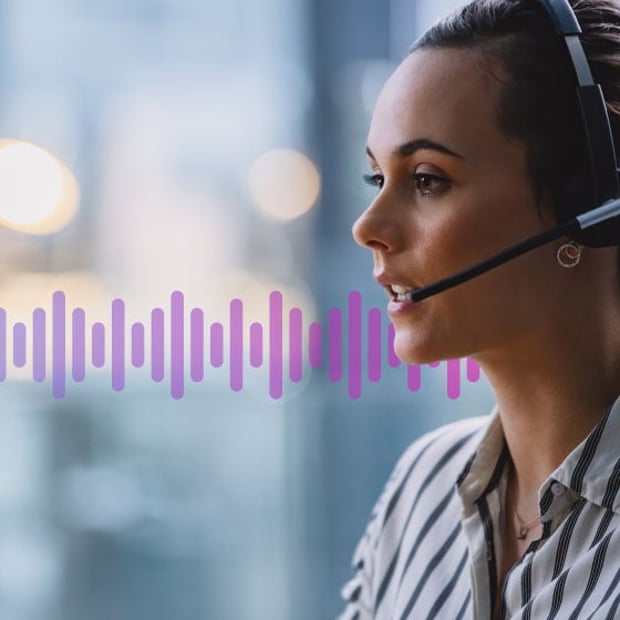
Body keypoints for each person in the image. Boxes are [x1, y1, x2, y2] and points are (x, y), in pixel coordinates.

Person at [339, 0, 620, 618]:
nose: (368, 227)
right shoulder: (423, 485)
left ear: (589, 204)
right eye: (374, 180)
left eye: (426, 179)